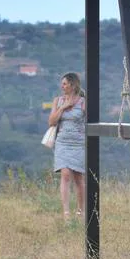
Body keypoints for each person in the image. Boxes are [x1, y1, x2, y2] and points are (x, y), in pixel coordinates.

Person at [48, 72, 87, 221]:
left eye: (64, 84)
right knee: (65, 174)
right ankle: (66, 213)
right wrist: (63, 107)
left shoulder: (83, 102)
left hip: (78, 142)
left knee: (78, 177)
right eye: (62, 84)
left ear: (72, 85)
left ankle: (80, 210)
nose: (62, 86)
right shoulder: (58, 101)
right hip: (62, 142)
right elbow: (51, 121)